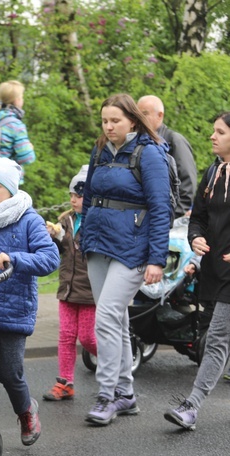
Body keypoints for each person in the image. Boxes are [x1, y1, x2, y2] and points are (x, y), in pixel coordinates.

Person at [80, 93, 172, 426]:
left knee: (104, 316)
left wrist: (156, 260)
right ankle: (126, 394)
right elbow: (89, 195)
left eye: (115, 121)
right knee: (115, 320)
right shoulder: (100, 150)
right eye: (105, 120)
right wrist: (83, 234)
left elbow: (162, 208)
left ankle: (106, 395)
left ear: (132, 120)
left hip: (134, 247)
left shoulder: (149, 154)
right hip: (98, 243)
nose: (109, 126)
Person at [0, 157, 59, 446]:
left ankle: (26, 412)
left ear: (11, 189)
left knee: (10, 373)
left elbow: (50, 258)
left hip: (15, 310)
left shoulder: (28, 219)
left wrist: (15, 258)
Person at [164, 111, 230, 430]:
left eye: (219, 131)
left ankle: (191, 406)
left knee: (217, 339)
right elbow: (198, 217)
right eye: (213, 130)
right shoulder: (213, 172)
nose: (212, 136)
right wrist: (196, 237)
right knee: (214, 336)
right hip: (214, 271)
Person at [42, 166, 97, 401]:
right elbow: (60, 252)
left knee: (87, 337)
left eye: (80, 195)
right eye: (72, 196)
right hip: (67, 288)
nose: (74, 200)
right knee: (65, 336)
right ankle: (65, 382)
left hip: (90, 290)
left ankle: (115, 367)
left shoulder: (98, 220)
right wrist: (53, 238)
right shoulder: (65, 220)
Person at [137, 95, 198, 217]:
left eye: (144, 114)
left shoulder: (175, 141)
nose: (140, 119)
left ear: (160, 115)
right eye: (137, 114)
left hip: (167, 220)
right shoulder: (136, 142)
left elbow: (188, 183)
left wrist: (170, 216)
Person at [0, 80, 36, 189]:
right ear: (17, 100)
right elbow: (27, 157)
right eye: (22, 97)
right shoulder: (15, 124)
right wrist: (29, 147)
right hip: (6, 182)